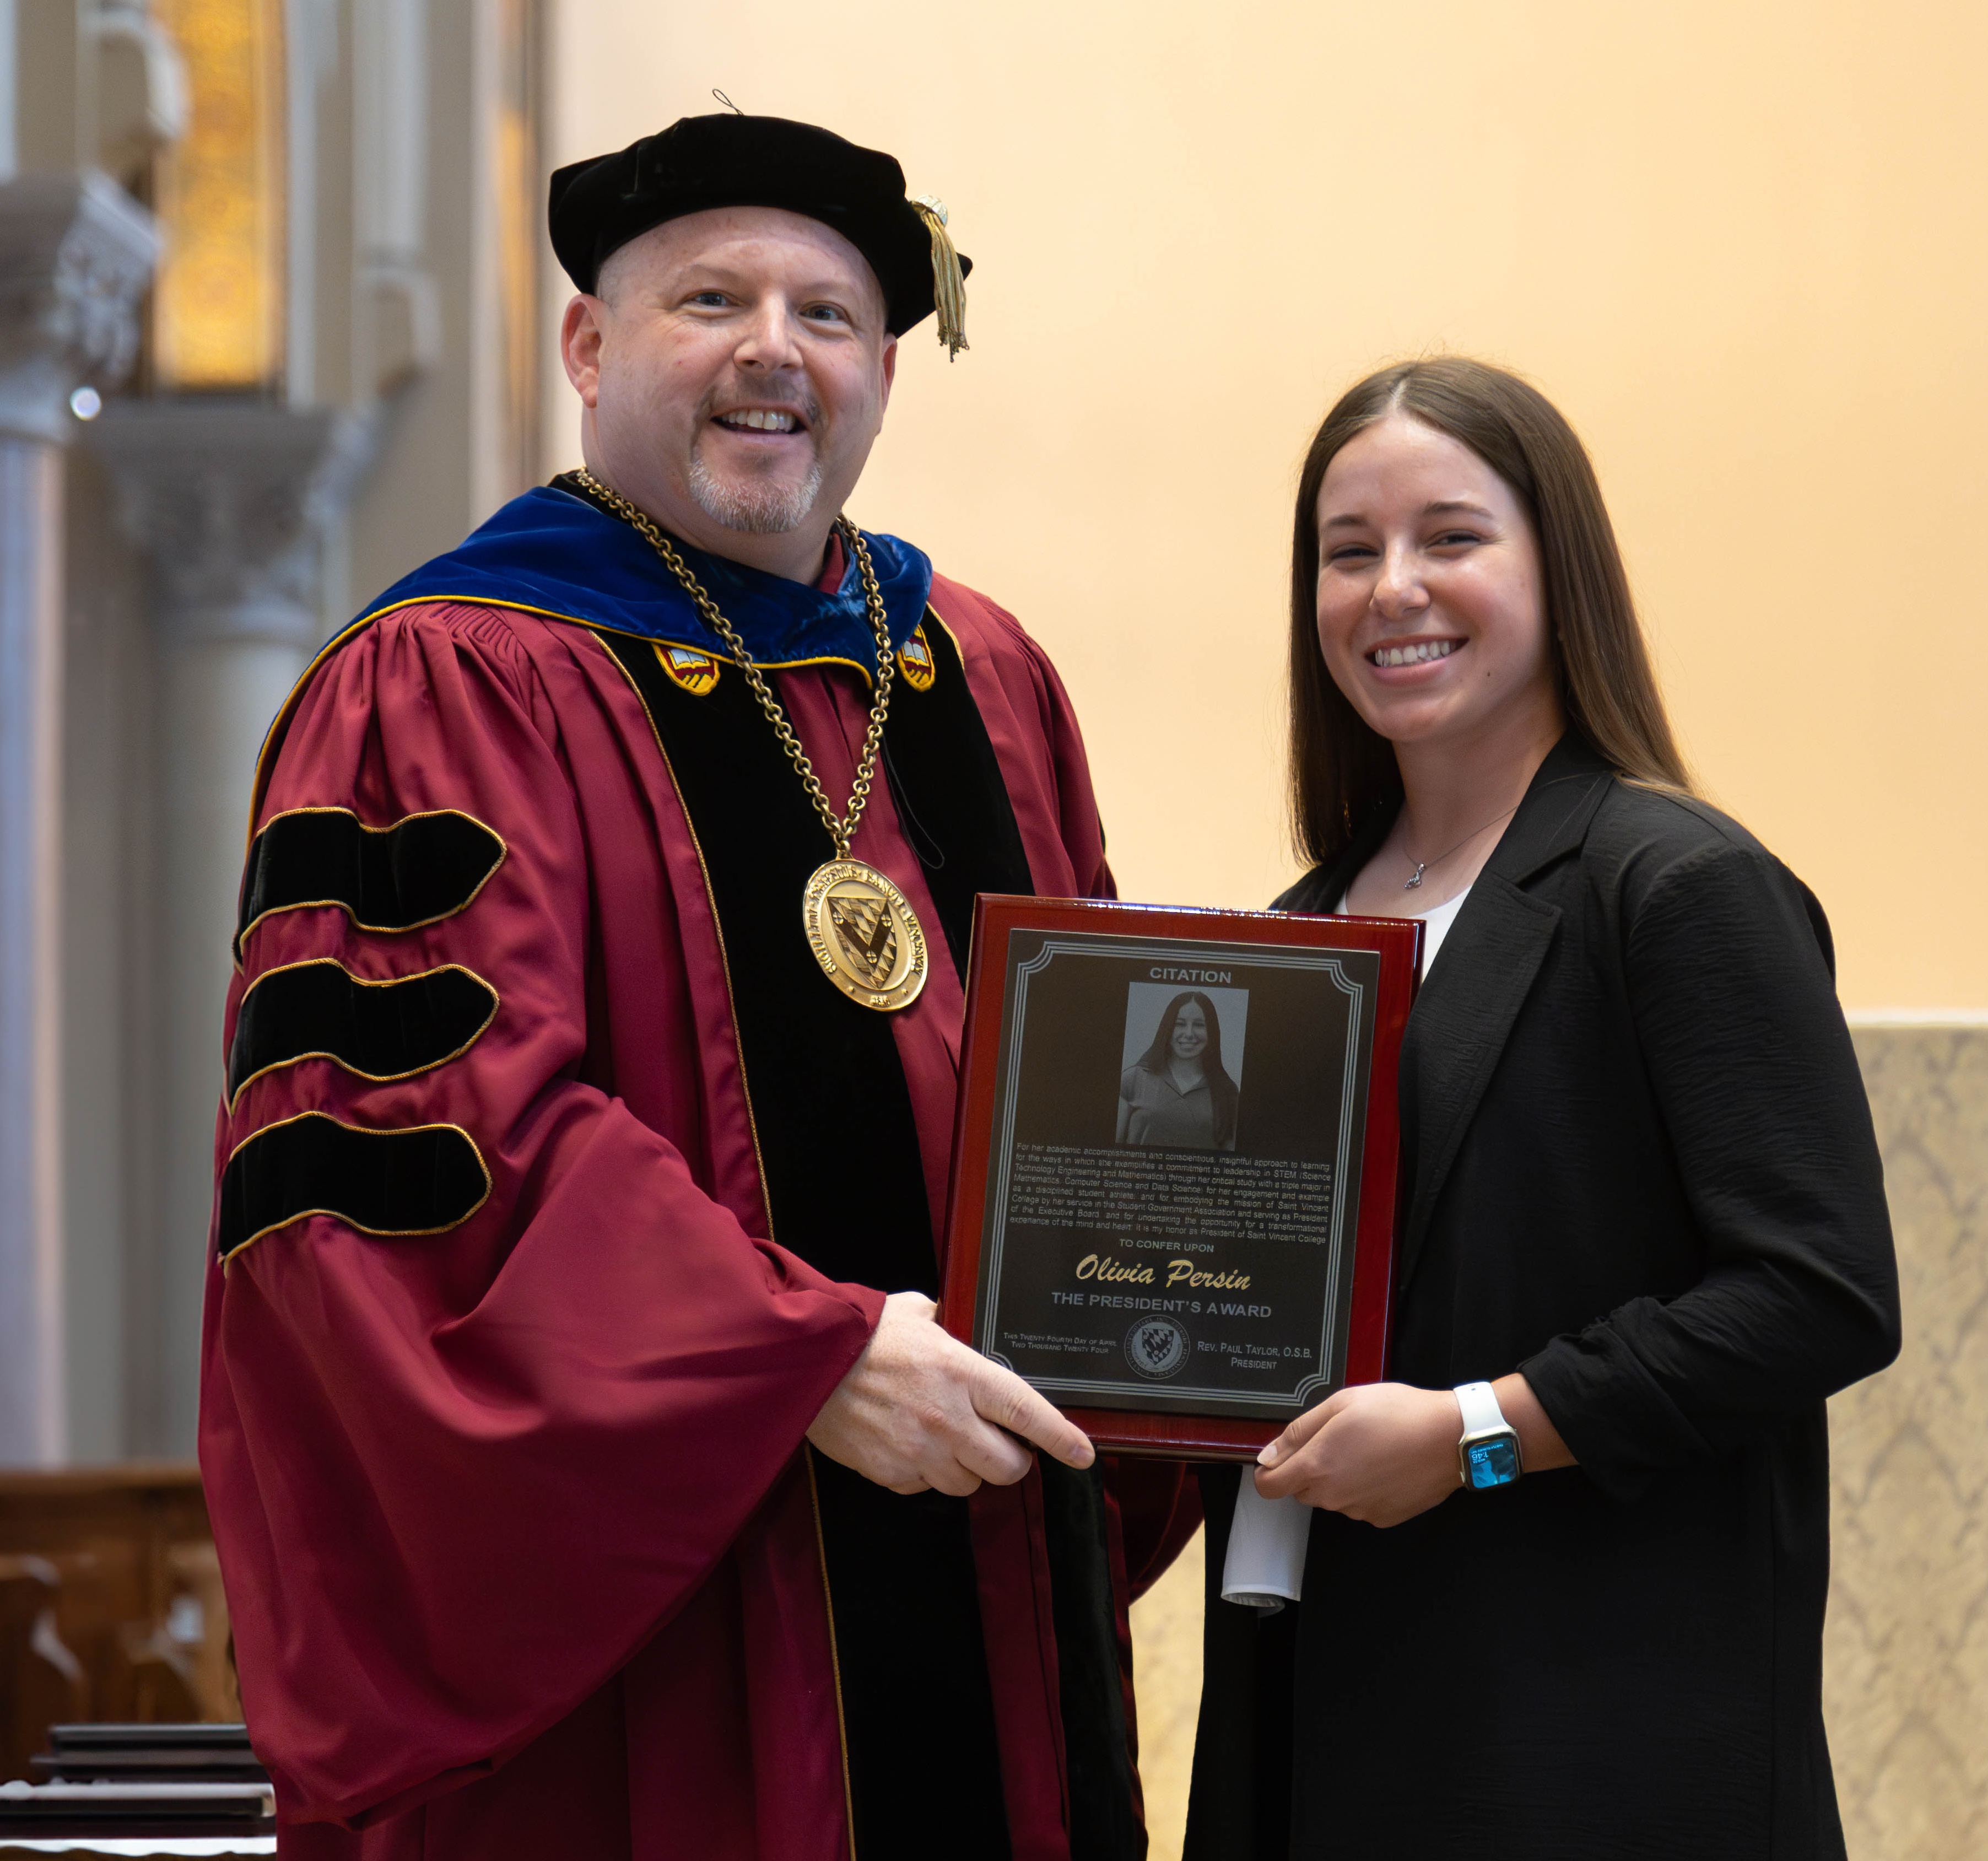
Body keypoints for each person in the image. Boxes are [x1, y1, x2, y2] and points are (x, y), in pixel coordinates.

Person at [198, 110, 1193, 1861]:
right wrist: (793, 1360)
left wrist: (1204, 1310)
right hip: (666, 1649)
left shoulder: (980, 671)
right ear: (589, 346)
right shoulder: (449, 681)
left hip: (979, 1586)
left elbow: (1086, 1085)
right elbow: (423, 1159)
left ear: (884, 369)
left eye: (826, 315)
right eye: (710, 299)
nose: (772, 352)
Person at [1182, 357, 1900, 1859]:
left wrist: (1475, 1433)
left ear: (1555, 567)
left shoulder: (1678, 887)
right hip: (1332, 1709)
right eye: (1347, 550)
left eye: (1451, 537)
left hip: (1598, 1733)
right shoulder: (1298, 934)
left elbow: (1819, 1295)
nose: (1394, 589)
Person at [1116, 991, 1240, 1148]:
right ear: (1167, 1029)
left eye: (1199, 1025)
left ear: (1212, 1032)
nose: (1189, 1034)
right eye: (1180, 1024)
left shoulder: (1227, 1091)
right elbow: (1113, 1152)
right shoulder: (1132, 1079)